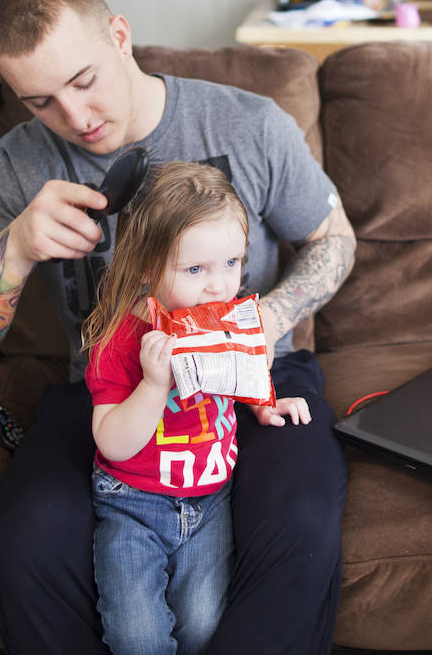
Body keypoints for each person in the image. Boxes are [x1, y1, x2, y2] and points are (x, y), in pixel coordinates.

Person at [0, 0, 355, 655]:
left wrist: (267, 319)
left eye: (83, 81)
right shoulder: (20, 166)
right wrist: (17, 248)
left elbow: (335, 243)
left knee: (299, 526)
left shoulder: (250, 125)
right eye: (40, 102)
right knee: (29, 541)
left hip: (254, 379)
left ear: (120, 36)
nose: (76, 118)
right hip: (110, 383)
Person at [83, 160, 311, 655]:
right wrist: (152, 384)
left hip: (210, 499)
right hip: (133, 501)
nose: (219, 286)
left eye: (232, 263)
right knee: (137, 636)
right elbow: (112, 443)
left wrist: (264, 404)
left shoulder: (224, 320)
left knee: (203, 624)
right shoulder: (121, 341)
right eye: (195, 270)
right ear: (147, 267)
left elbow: (235, 383)